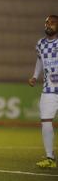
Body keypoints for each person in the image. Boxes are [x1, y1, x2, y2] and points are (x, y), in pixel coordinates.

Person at [28, 15, 58, 168]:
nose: (49, 25)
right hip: (49, 89)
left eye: (52, 23)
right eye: (47, 22)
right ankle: (50, 158)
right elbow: (39, 60)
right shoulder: (40, 44)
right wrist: (34, 76)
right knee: (46, 121)